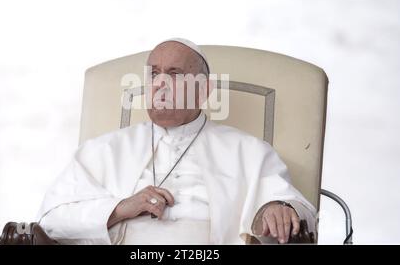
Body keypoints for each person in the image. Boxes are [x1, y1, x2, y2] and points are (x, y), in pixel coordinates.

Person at [36, 38, 317, 244]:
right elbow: (51, 220)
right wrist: (120, 208)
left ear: (204, 90)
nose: (160, 83)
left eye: (174, 74)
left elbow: (288, 205)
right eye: (154, 74)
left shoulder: (249, 151)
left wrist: (275, 210)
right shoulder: (102, 150)